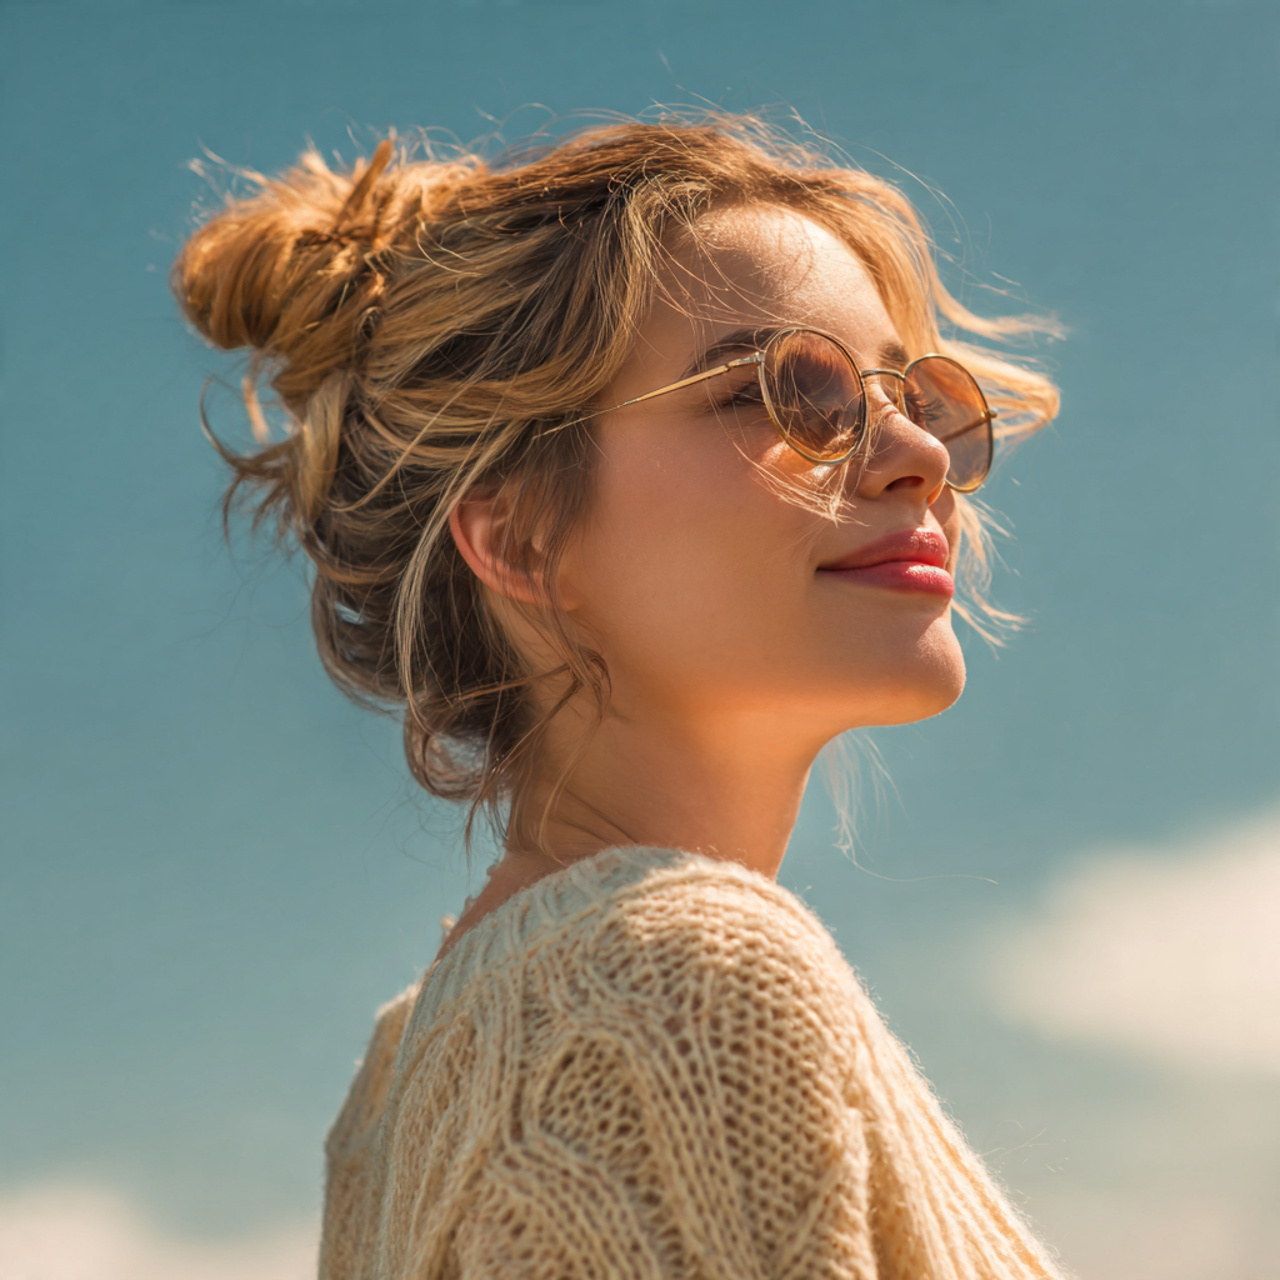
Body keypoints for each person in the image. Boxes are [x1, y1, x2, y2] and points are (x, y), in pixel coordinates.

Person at [174, 116, 1065, 1279]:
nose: (919, 456)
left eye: (917, 393)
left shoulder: (405, 1075)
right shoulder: (684, 988)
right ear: (523, 535)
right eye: (793, 390)